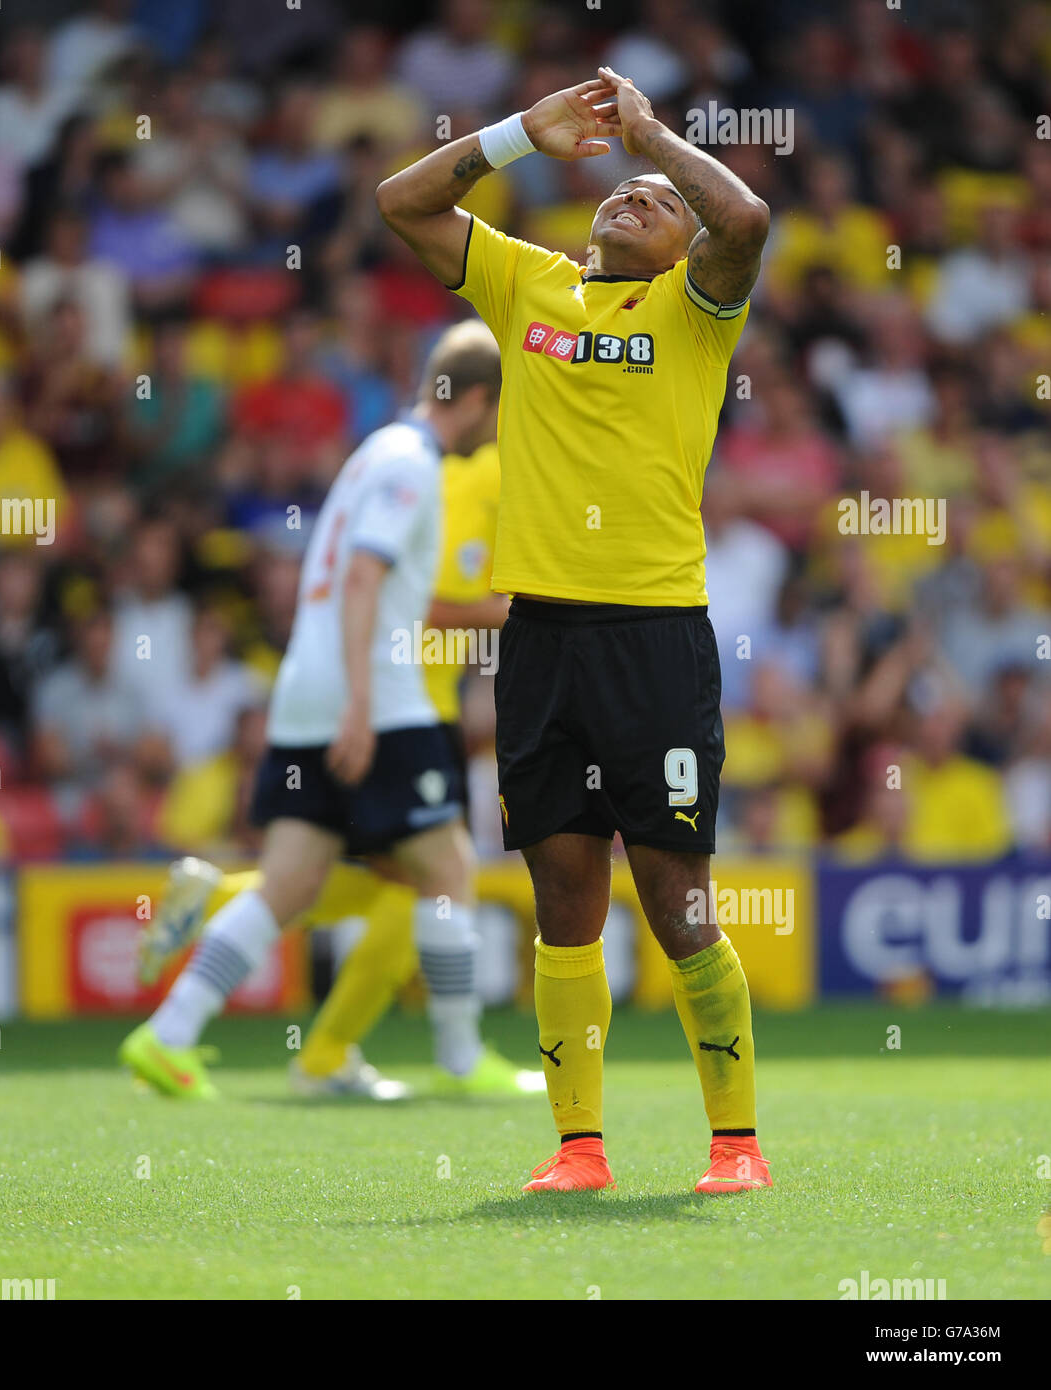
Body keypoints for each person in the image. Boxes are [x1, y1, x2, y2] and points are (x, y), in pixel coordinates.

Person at [376, 67, 772, 1194]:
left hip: (654, 635)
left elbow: (744, 217)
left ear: (686, 245)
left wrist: (650, 132)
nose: (631, 195)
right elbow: (399, 205)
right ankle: (579, 1147)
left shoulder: (696, 311)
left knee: (675, 893)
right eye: (621, 187)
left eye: (658, 197)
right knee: (561, 891)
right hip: (542, 635)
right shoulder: (527, 284)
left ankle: (735, 1144)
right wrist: (515, 138)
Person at [120, 323, 524, 1099]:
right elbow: (364, 581)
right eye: (498, 410)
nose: (499, 427)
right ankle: (461, 1059)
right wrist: (363, 708)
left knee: (291, 881)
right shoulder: (412, 466)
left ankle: (166, 1035)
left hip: (307, 688)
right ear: (474, 400)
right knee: (447, 871)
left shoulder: (375, 451)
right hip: (375, 693)